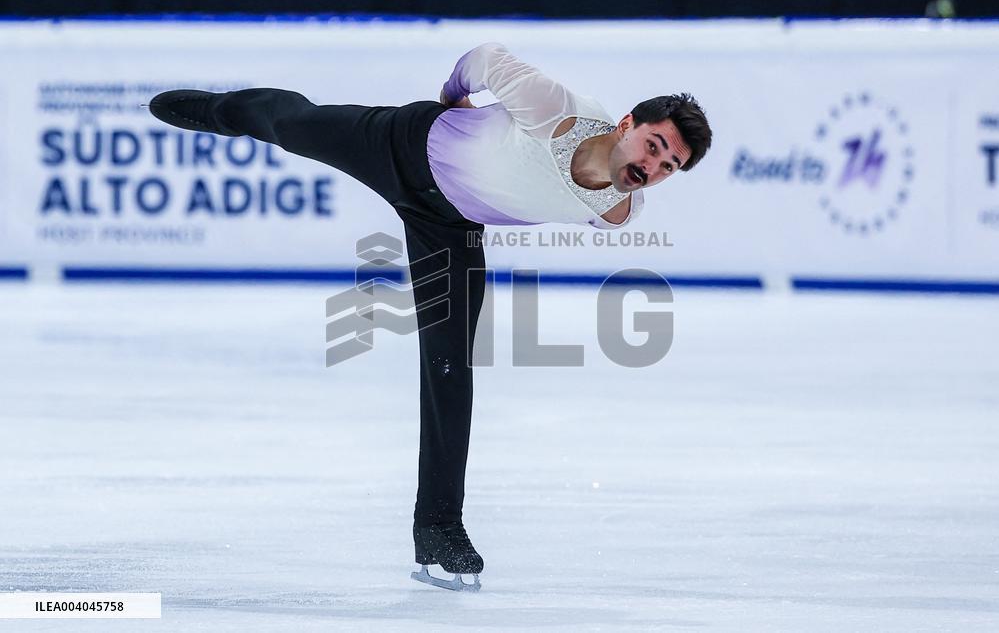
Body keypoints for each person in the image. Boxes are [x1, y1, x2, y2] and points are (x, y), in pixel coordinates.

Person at [148, 41, 712, 592]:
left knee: (450, 366)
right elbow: (486, 59)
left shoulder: (619, 210)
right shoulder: (558, 109)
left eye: (670, 165)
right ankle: (223, 110)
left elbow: (528, 191)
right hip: (403, 144)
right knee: (296, 124)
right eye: (655, 144)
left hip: (449, 230)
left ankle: (438, 528)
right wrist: (453, 99)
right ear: (627, 123)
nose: (654, 165)